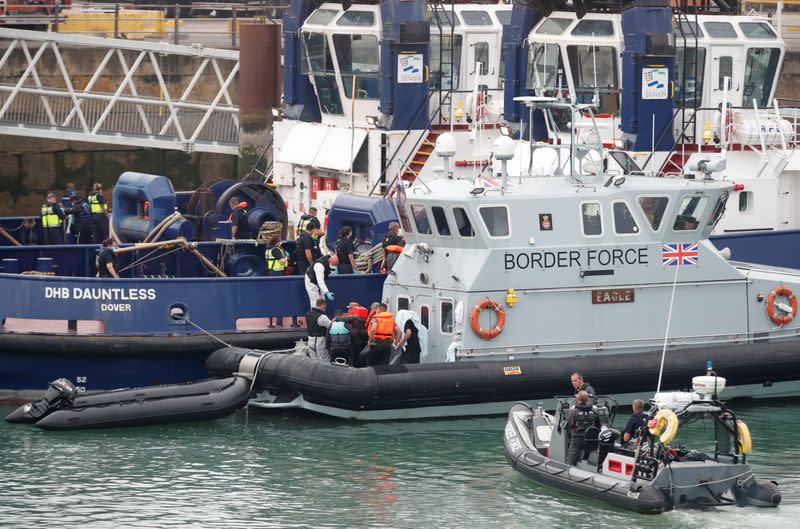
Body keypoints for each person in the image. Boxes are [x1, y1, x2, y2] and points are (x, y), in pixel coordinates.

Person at [565, 390, 600, 465]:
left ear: (577, 399)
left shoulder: (574, 412)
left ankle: (570, 470)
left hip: (577, 438)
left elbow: (567, 426)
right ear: (587, 399)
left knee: (572, 456)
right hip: (590, 439)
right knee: (591, 455)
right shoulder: (594, 412)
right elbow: (598, 426)